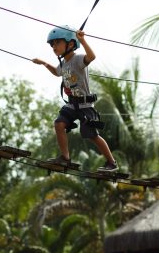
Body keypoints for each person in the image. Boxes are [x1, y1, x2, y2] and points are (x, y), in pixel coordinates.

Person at [33, 25, 118, 172]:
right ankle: (65, 158)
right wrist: (44, 63)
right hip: (72, 105)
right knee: (59, 124)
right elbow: (56, 72)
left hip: (85, 106)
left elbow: (91, 57)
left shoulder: (78, 60)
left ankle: (112, 163)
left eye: (57, 43)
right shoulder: (63, 64)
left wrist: (82, 40)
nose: (54, 46)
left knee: (92, 135)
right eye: (52, 44)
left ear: (70, 44)